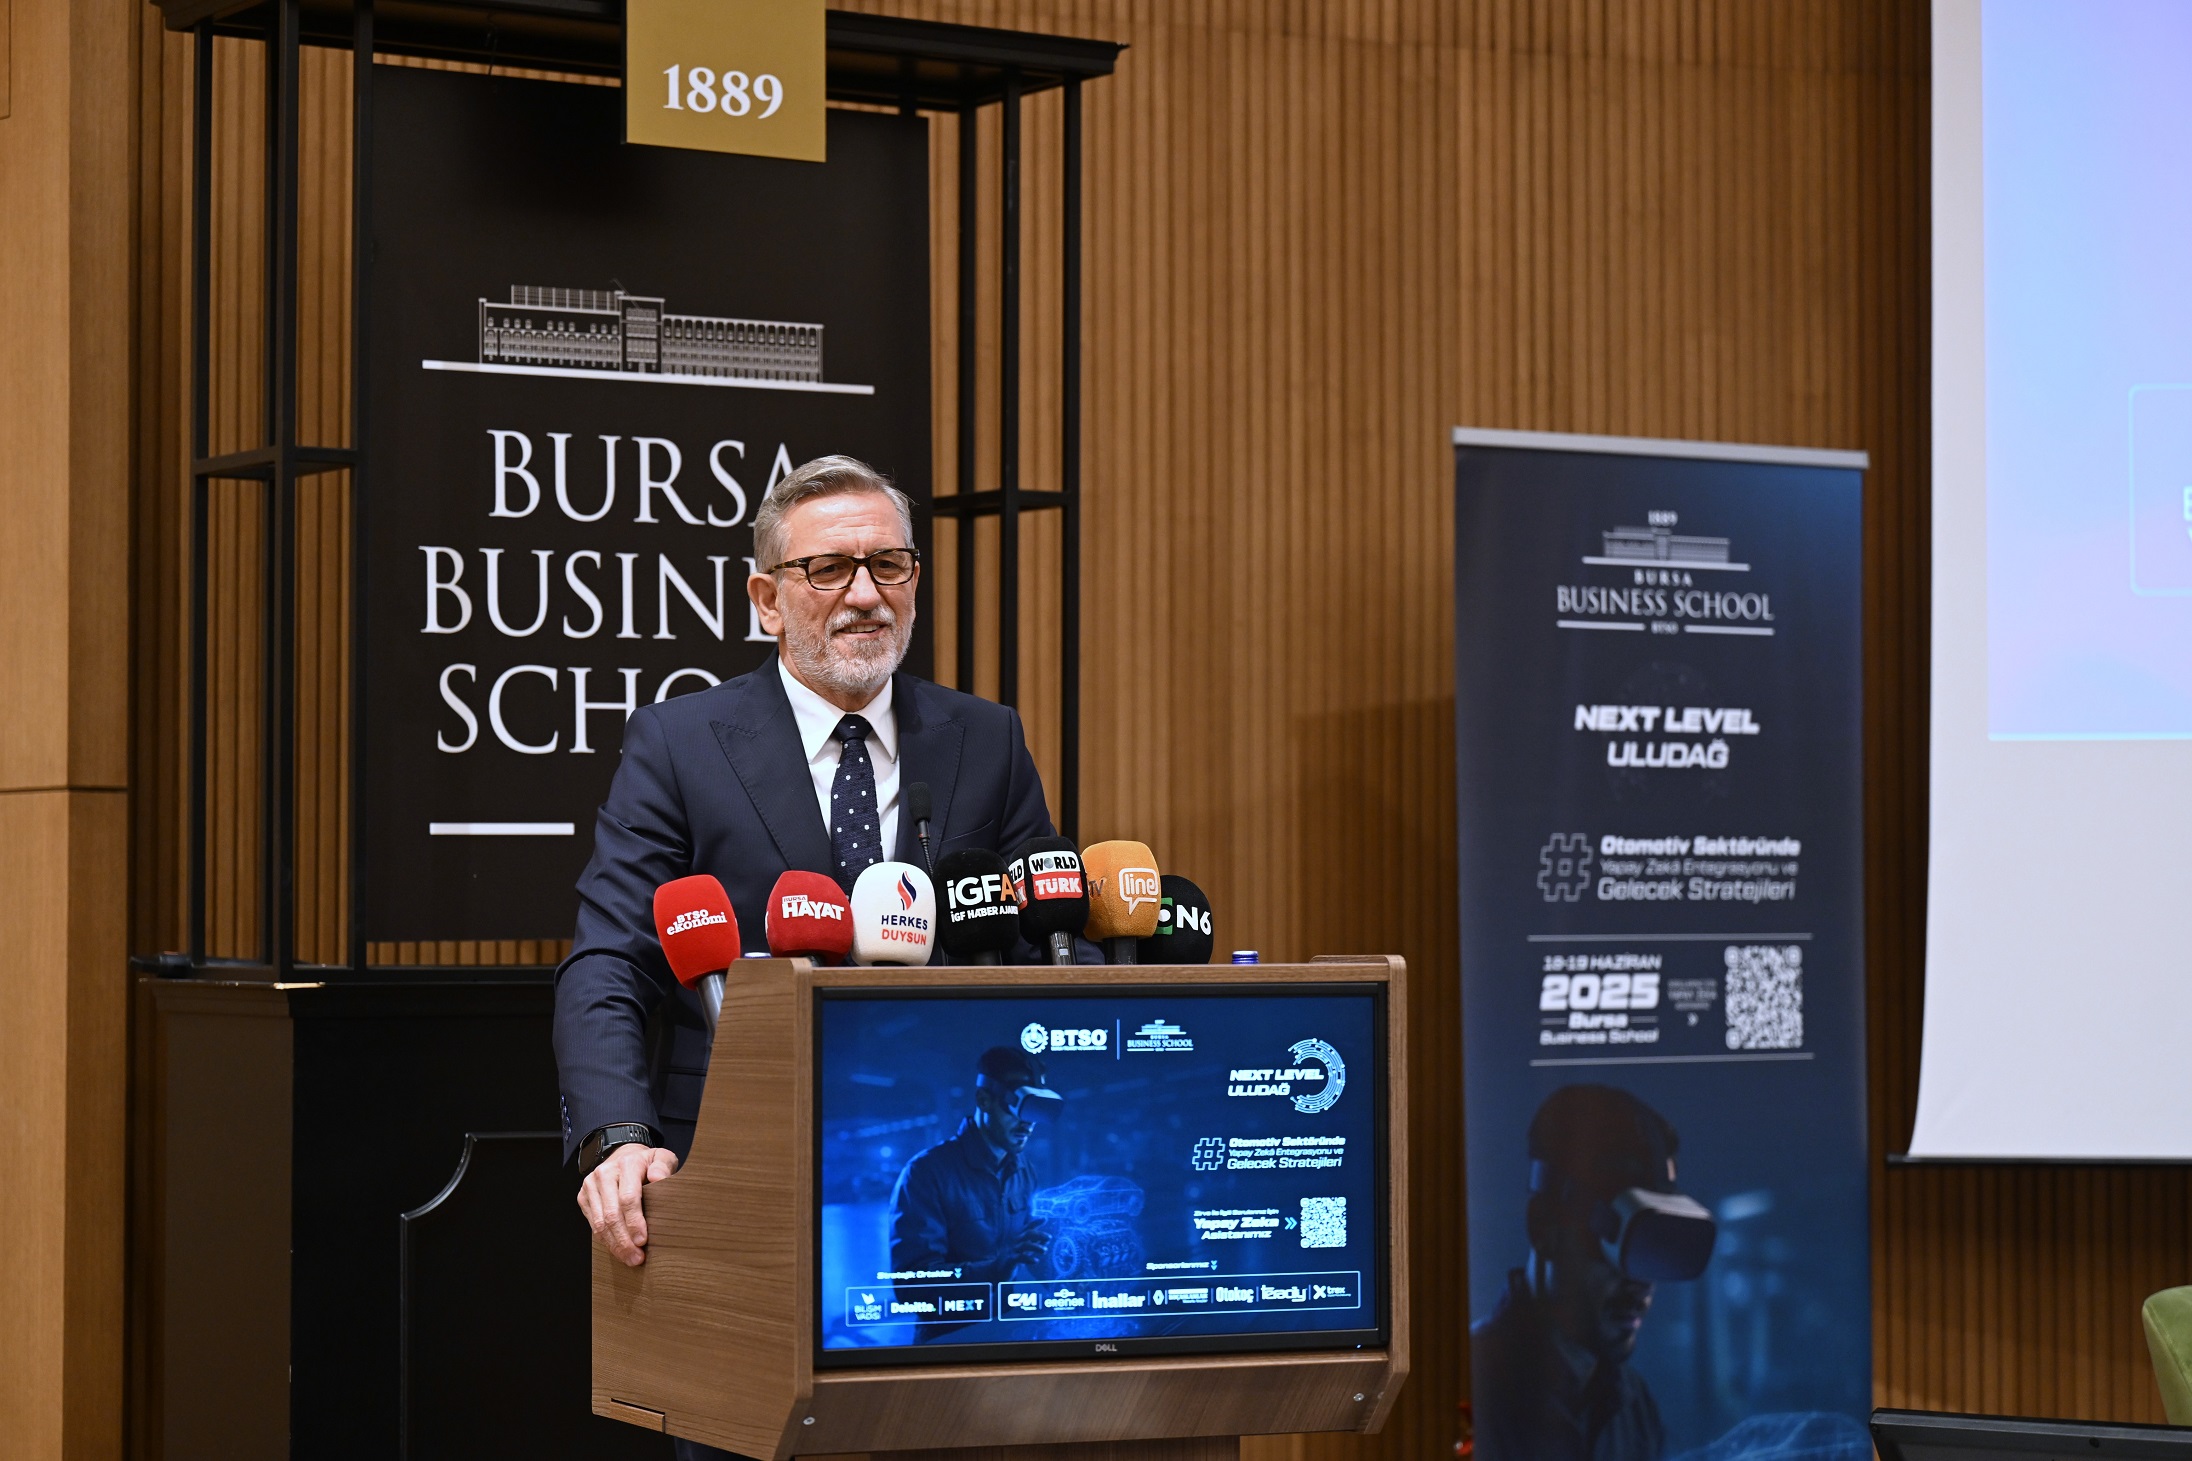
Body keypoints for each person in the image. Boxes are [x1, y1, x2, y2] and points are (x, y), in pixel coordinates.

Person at [554, 457, 1075, 1459]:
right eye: (828, 569)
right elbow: (609, 962)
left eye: (889, 565)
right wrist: (616, 1137)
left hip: (949, 1208)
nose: (865, 594)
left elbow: (1038, 938)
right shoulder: (681, 744)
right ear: (766, 600)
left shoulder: (985, 740)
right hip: (734, 1193)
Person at [1470, 1085, 1712, 1461]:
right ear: (1543, 1228)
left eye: (1650, 1245)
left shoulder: (1633, 1406)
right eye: (1615, 1244)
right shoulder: (1463, 1391)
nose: (1640, 1283)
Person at [887, 1046, 1062, 1302]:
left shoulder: (1023, 1170)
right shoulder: (926, 1172)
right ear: (984, 1100)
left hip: (1006, 1321)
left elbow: (1031, 1251)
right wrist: (996, 1270)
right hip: (954, 1327)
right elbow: (912, 1285)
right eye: (1017, 1107)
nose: (1027, 1123)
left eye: (1033, 1109)